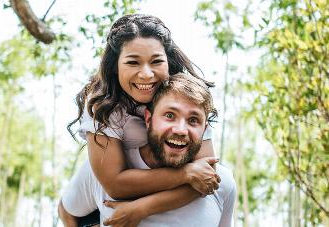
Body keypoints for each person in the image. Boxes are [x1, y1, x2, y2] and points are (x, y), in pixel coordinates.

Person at [59, 14, 221, 227]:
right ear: (116, 66)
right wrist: (185, 173)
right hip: (101, 188)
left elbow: (204, 178)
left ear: (168, 61)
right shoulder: (103, 102)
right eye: (133, 62)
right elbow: (115, 184)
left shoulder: (187, 98)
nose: (146, 74)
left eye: (156, 62)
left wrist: (142, 209)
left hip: (147, 187)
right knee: (68, 210)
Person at [62, 73, 236, 227]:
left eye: (193, 120)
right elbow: (67, 211)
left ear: (205, 130)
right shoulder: (104, 172)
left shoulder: (222, 183)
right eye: (169, 115)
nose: (181, 130)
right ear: (148, 119)